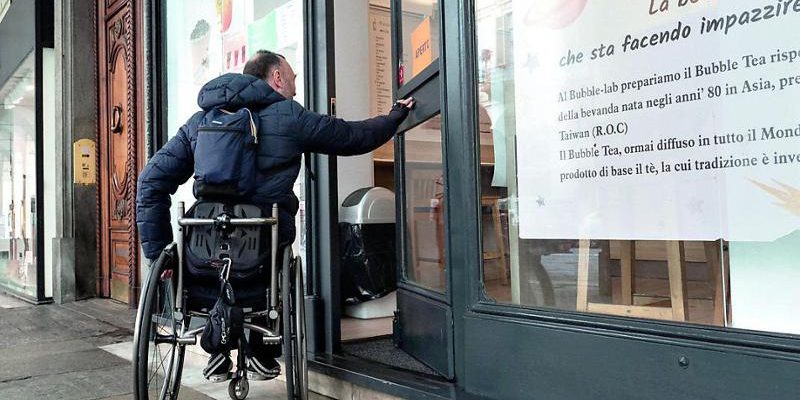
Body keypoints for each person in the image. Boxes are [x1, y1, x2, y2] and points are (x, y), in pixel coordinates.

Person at [136, 49, 414, 382]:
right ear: (277, 77)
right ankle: (260, 351)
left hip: (204, 252)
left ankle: (218, 349)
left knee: (213, 254)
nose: (296, 87)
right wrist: (396, 116)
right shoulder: (289, 116)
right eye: (293, 78)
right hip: (262, 256)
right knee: (276, 249)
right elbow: (353, 136)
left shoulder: (200, 123)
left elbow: (150, 182)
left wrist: (159, 255)